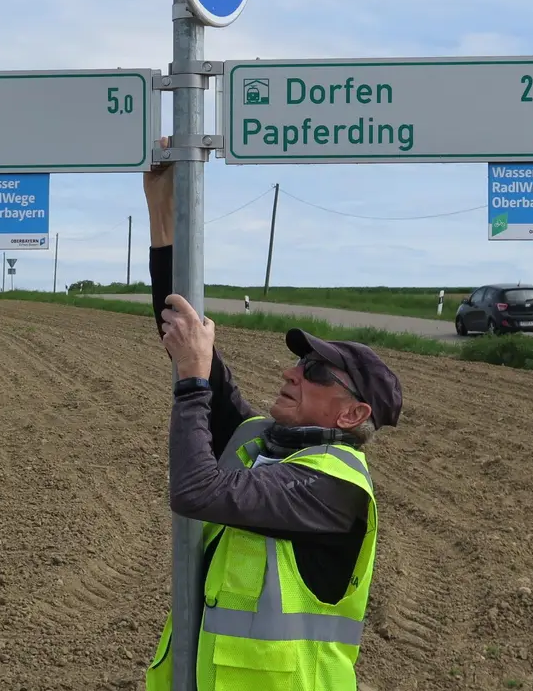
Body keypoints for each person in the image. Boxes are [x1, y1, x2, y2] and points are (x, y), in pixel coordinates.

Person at [142, 140, 403, 690]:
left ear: (354, 413)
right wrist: (162, 213)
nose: (292, 372)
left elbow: (196, 491)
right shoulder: (260, 441)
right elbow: (180, 331)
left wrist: (191, 384)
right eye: (299, 361)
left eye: (316, 370)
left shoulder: (333, 489)